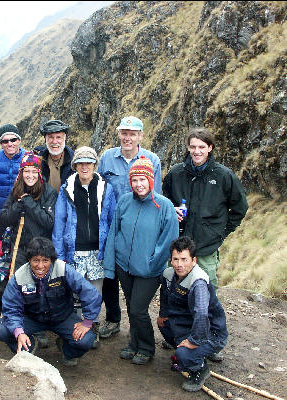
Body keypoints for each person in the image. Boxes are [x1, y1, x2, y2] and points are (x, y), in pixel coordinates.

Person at [103, 156, 178, 365]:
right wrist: (112, 264)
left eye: (142, 180)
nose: (138, 184)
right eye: (134, 180)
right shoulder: (125, 201)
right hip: (124, 266)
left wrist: (152, 263)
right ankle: (134, 343)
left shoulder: (164, 206)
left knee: (137, 309)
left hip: (149, 270)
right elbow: (114, 232)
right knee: (131, 305)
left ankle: (146, 347)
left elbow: (168, 242)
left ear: (151, 180)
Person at [97, 115, 162, 340]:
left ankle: (137, 328)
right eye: (124, 133)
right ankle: (113, 319)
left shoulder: (152, 159)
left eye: (132, 134)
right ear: (119, 134)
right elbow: (99, 189)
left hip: (138, 228)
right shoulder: (106, 158)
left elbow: (157, 197)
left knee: (133, 274)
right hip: (109, 227)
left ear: (140, 136)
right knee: (109, 275)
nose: (127, 137)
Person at [162, 127, 248, 290]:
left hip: (206, 247)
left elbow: (240, 208)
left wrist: (220, 232)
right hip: (178, 245)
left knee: (207, 292)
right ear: (188, 147)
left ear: (210, 148)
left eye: (201, 147)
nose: (197, 151)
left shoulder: (224, 176)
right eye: (193, 147)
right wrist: (171, 210)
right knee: (174, 290)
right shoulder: (176, 173)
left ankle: (206, 317)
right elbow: (163, 200)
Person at [0, 237, 102, 366]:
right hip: (32, 319)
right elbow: (10, 308)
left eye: (45, 261)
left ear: (52, 260)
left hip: (63, 317)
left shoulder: (64, 269)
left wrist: (87, 322)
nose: (40, 266)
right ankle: (30, 349)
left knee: (86, 340)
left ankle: (66, 349)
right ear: (29, 260)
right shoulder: (19, 277)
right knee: (4, 330)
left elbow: (91, 293)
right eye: (36, 260)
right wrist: (19, 332)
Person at [52, 146, 117, 348]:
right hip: (74, 251)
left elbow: (112, 220)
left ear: (95, 165)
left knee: (95, 293)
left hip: (98, 252)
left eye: (88, 163)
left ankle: (92, 327)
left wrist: (110, 251)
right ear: (75, 166)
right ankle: (74, 329)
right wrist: (60, 254)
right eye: (80, 163)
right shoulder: (66, 190)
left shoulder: (107, 188)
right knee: (74, 292)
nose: (85, 166)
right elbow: (59, 223)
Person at [157, 236, 228, 392]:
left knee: (184, 353)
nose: (179, 264)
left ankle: (200, 369)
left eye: (184, 259)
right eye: (175, 259)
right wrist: (163, 313)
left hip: (211, 331)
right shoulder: (168, 274)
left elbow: (202, 314)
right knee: (163, 324)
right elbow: (164, 294)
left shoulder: (199, 282)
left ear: (193, 260)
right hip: (187, 322)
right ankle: (192, 352)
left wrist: (194, 341)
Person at [0, 151, 58, 271]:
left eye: (34, 171)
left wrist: (28, 202)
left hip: (41, 250)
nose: (30, 175)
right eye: (26, 171)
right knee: (20, 284)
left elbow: (49, 222)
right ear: (21, 173)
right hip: (19, 248)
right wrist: (18, 205)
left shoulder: (49, 192)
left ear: (39, 173)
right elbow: (5, 218)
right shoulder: (16, 190)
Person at [0, 123, 26, 239]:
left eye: (13, 139)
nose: (10, 144)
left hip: (23, 216)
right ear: (1, 144)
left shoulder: (28, 159)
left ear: (19, 140)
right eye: (5, 141)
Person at [34, 119, 75, 193]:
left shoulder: (75, 161)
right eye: (51, 137)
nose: (54, 141)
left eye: (58, 137)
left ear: (65, 138)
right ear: (45, 139)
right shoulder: (37, 160)